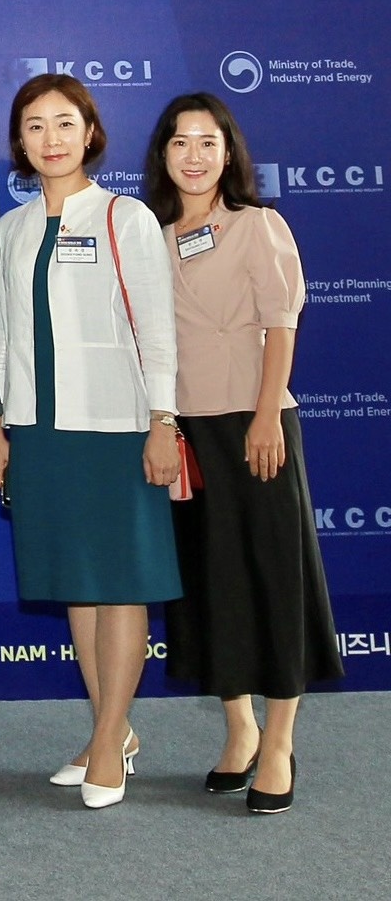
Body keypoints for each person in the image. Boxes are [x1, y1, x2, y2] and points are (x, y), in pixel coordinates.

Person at [0, 73, 182, 809]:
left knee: (120, 583)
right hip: (39, 429)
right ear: (20, 141)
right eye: (35, 126)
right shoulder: (9, 230)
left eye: (65, 123)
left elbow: (157, 327)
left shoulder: (125, 217)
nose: (51, 139)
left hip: (115, 425)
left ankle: (105, 743)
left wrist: (163, 420)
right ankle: (113, 731)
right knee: (78, 583)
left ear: (90, 133)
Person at [144, 93, 341, 815]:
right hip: (189, 431)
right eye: (180, 142)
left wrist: (265, 416)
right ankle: (240, 730)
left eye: (208, 141)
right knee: (213, 582)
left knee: (274, 578)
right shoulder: (152, 235)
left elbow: (280, 324)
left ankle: (280, 741)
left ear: (228, 152)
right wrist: (162, 423)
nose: (193, 156)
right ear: (163, 155)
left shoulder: (258, 224)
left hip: (257, 426)